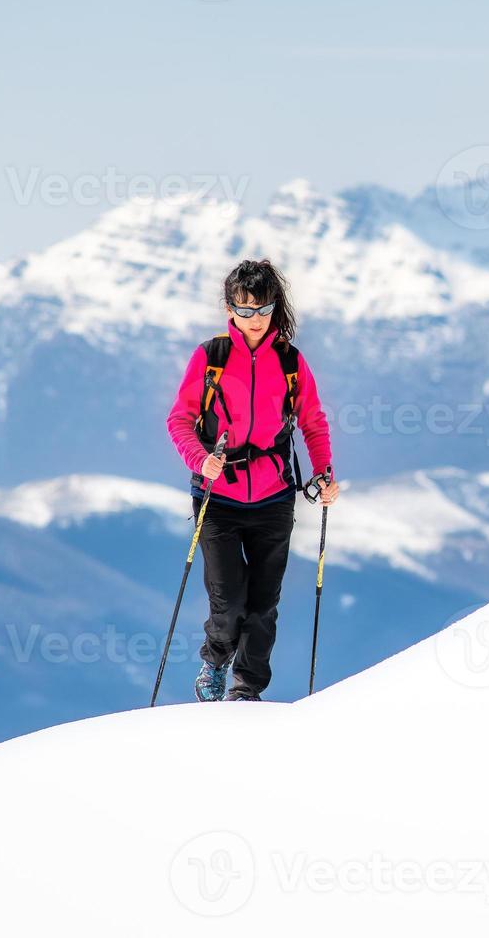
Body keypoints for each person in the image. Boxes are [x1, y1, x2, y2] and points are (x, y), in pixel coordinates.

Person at [166, 259, 340, 702]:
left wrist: (324, 474)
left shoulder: (290, 362)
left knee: (264, 606)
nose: (255, 319)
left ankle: (247, 689)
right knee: (229, 604)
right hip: (217, 497)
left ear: (274, 306)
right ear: (230, 308)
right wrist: (200, 458)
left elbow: (313, 422)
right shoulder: (212, 358)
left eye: (262, 308)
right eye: (244, 310)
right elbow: (180, 420)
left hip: (273, 495)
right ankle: (216, 661)